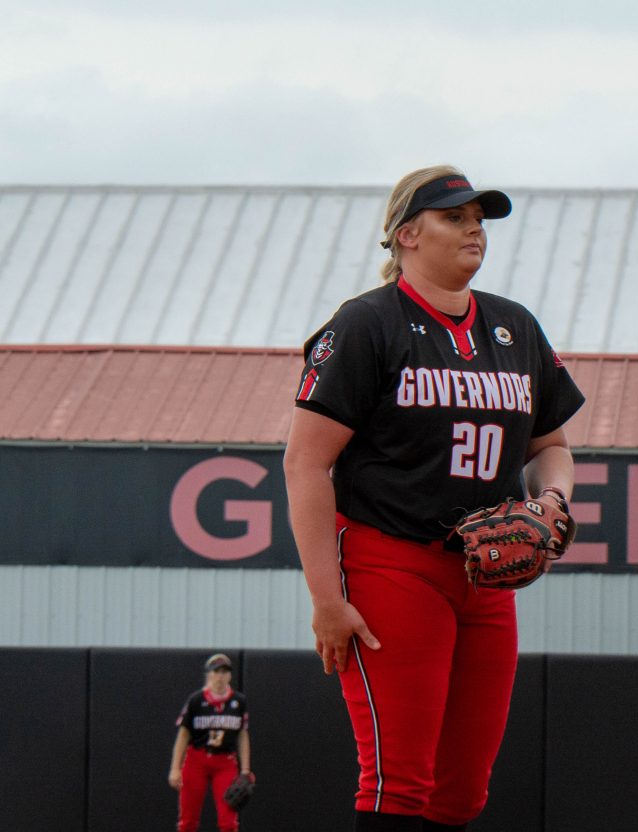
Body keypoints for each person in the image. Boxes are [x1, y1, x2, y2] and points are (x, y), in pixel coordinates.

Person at [283, 165, 584, 832]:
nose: (474, 227)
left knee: (462, 792)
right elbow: (306, 465)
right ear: (406, 235)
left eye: (480, 217)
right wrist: (327, 601)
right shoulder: (367, 324)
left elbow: (550, 447)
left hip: (485, 573)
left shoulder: (514, 328)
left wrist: (552, 501)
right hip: (393, 560)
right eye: (454, 217)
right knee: (400, 783)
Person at [169, 652, 252, 832]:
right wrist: (175, 768)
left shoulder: (238, 702)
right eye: (216, 671)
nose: (220, 676)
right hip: (196, 759)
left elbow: (242, 735)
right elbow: (183, 735)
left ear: (230, 675)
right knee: (188, 821)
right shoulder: (196, 701)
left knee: (229, 822)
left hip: (225, 761)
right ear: (208, 674)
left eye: (224, 672)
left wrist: (245, 770)